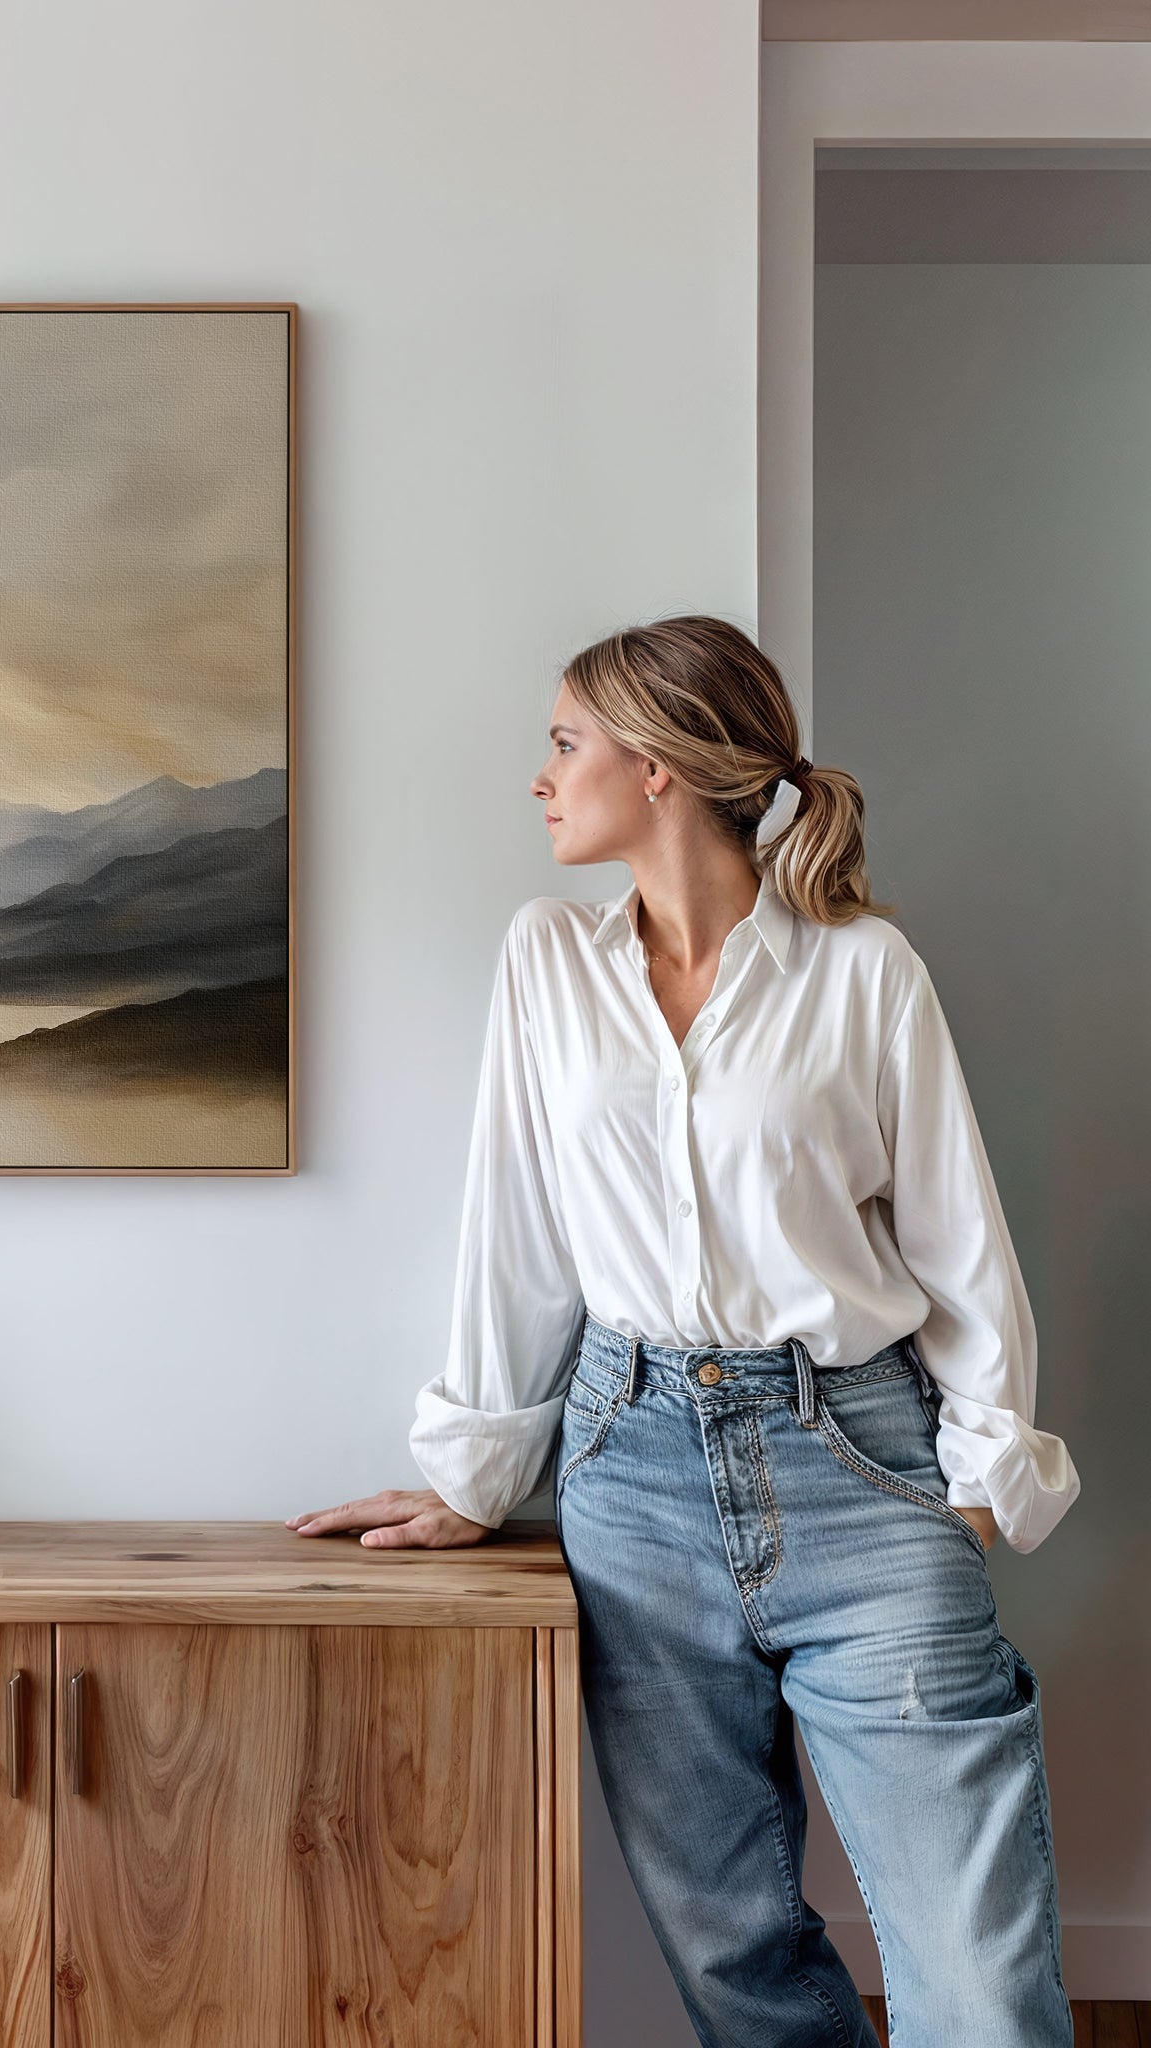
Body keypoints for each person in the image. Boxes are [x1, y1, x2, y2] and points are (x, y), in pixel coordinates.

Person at [287, 616, 1080, 2046]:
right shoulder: (547, 963)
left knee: (976, 1972)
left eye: (564, 742)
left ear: (657, 768)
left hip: (862, 1460)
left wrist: (976, 1478)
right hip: (630, 1472)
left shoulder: (863, 972)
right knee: (734, 1959)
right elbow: (514, 1231)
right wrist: (479, 1472)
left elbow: (961, 1242)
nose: (541, 777)